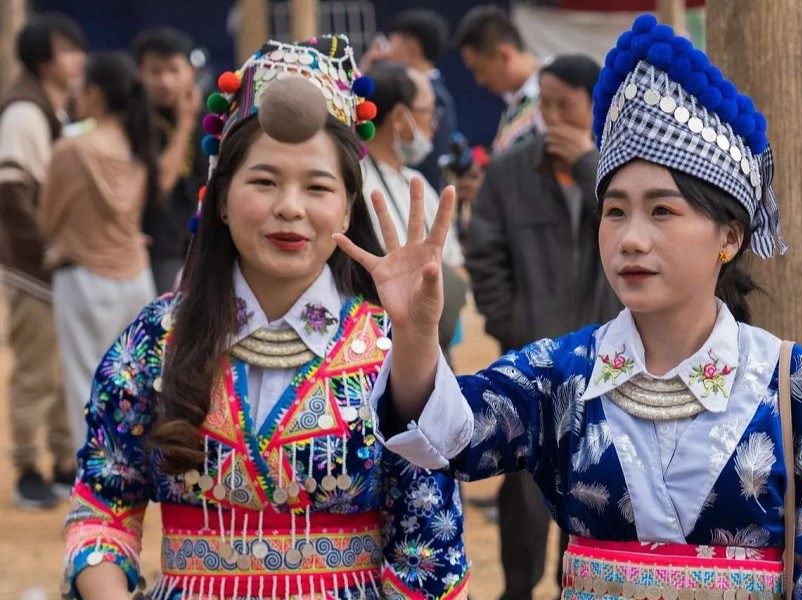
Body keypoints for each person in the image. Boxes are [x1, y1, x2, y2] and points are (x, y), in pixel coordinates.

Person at [338, 15, 802, 599]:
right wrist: (416, 334)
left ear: (730, 235)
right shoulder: (563, 376)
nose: (631, 239)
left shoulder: (798, 391)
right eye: (615, 211)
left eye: (662, 212)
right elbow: (447, 438)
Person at [61, 35, 469, 600]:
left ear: (347, 208)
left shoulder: (387, 346)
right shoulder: (157, 338)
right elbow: (103, 506)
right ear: (221, 198)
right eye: (264, 181)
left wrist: (418, 338)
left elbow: (429, 551)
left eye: (317, 186)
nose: (290, 207)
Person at [463, 53, 622, 600]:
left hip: (608, 359)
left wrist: (587, 165)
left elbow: (635, 240)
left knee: (594, 482)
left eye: (565, 106)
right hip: (532, 356)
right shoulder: (512, 170)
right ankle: (516, 589)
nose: (552, 117)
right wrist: (509, 322)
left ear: (595, 106)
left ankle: (570, 587)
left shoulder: (618, 175)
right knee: (525, 491)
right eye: (545, 104)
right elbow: (484, 253)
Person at [38, 52, 159, 448]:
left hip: (84, 281)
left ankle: (93, 493)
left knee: (84, 387)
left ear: (93, 95)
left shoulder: (72, 150)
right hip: (136, 279)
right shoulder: (139, 145)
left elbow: (47, 220)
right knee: (133, 388)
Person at [0, 12, 86, 509]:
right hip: (34, 270)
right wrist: (46, 256)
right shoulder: (23, 112)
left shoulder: (53, 106)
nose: (77, 59)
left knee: (60, 371)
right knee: (36, 374)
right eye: (66, 51)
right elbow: (12, 196)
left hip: (55, 268)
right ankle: (28, 467)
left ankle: (61, 463)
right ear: (42, 59)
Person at [360, 62, 467, 354]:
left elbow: (454, 263)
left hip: (433, 341)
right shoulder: (357, 183)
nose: (433, 124)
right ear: (398, 117)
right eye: (429, 113)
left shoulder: (414, 180)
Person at [453, 5, 545, 246]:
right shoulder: (515, 103)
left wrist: (491, 190)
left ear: (504, 56)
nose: (479, 81)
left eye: (480, 70)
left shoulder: (553, 93)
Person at [132, 26, 206, 293]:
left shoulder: (209, 116)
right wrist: (185, 125)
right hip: (159, 247)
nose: (165, 81)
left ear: (191, 72)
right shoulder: (134, 122)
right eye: (155, 71)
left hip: (200, 239)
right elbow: (159, 184)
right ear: (140, 73)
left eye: (174, 70)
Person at [361, 9, 457, 193]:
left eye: (390, 43)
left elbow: (432, 163)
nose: (385, 52)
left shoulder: (436, 97)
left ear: (411, 47)